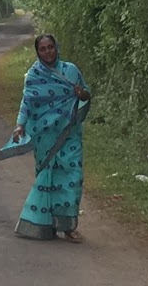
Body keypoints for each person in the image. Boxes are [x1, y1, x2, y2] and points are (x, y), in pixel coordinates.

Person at [9, 33, 91, 241]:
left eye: (50, 47)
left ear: (56, 48)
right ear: (37, 52)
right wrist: (20, 125)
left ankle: (69, 226)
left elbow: (86, 94)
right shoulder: (33, 76)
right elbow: (26, 102)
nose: (48, 52)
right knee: (48, 177)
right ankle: (47, 225)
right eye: (43, 49)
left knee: (72, 177)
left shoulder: (70, 71)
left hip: (68, 133)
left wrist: (81, 94)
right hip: (44, 136)